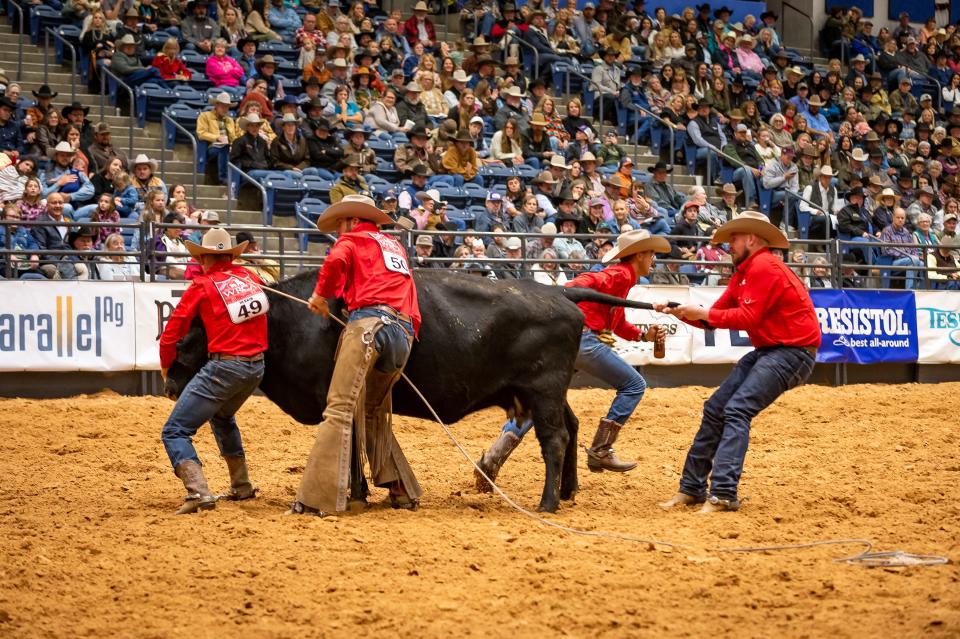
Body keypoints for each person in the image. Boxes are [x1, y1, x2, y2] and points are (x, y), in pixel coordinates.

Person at [474, 229, 669, 488]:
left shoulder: (623, 281)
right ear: (640, 255)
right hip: (582, 341)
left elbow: (617, 321)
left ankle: (492, 459)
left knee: (541, 400)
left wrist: (644, 336)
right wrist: (562, 292)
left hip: (569, 342)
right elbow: (587, 282)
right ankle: (602, 448)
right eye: (651, 254)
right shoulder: (621, 274)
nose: (653, 260)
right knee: (634, 385)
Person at [657, 211, 820, 513]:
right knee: (717, 408)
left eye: (734, 238)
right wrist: (681, 311)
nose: (729, 244)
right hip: (777, 349)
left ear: (751, 239)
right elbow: (713, 319)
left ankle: (722, 493)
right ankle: (692, 488)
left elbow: (744, 317)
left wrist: (700, 313)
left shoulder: (763, 267)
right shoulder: (746, 272)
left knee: (735, 408)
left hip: (791, 352)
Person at [291, 194, 422, 516]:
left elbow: (335, 262)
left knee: (339, 407)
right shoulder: (393, 246)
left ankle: (316, 498)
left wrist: (320, 296)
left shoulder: (353, 239)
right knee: (374, 411)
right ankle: (401, 488)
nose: (338, 231)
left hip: (368, 326)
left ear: (351, 219)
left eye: (340, 224)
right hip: (402, 332)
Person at [158, 227, 268, 514]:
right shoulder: (249, 278)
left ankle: (198, 493)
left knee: (175, 430)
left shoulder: (202, 285)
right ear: (231, 255)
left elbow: (172, 332)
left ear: (204, 257)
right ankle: (241, 485)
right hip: (256, 366)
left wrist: (166, 366)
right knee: (222, 416)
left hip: (226, 366)